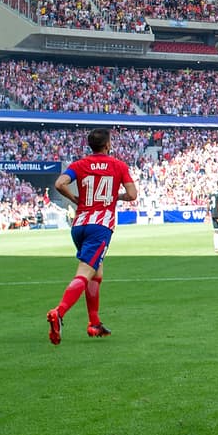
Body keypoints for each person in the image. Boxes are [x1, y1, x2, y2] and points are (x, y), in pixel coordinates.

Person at [45, 128, 137, 345]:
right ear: (108, 145)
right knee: (85, 273)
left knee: (96, 272)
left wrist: (74, 199)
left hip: (80, 225)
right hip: (100, 226)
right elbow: (132, 194)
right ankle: (59, 312)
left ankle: (94, 323)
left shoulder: (79, 165)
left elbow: (59, 184)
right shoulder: (118, 166)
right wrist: (116, 196)